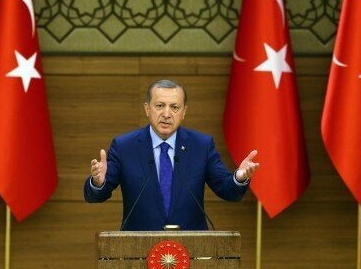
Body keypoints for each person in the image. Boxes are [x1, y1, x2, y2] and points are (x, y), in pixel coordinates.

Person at [84, 79, 259, 230]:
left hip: (191, 251)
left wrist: (239, 177)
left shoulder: (201, 145)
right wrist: (97, 183)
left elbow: (227, 190)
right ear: (147, 109)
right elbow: (97, 195)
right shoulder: (124, 147)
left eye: (174, 107)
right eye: (159, 106)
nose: (166, 114)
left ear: (183, 112)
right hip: (139, 250)